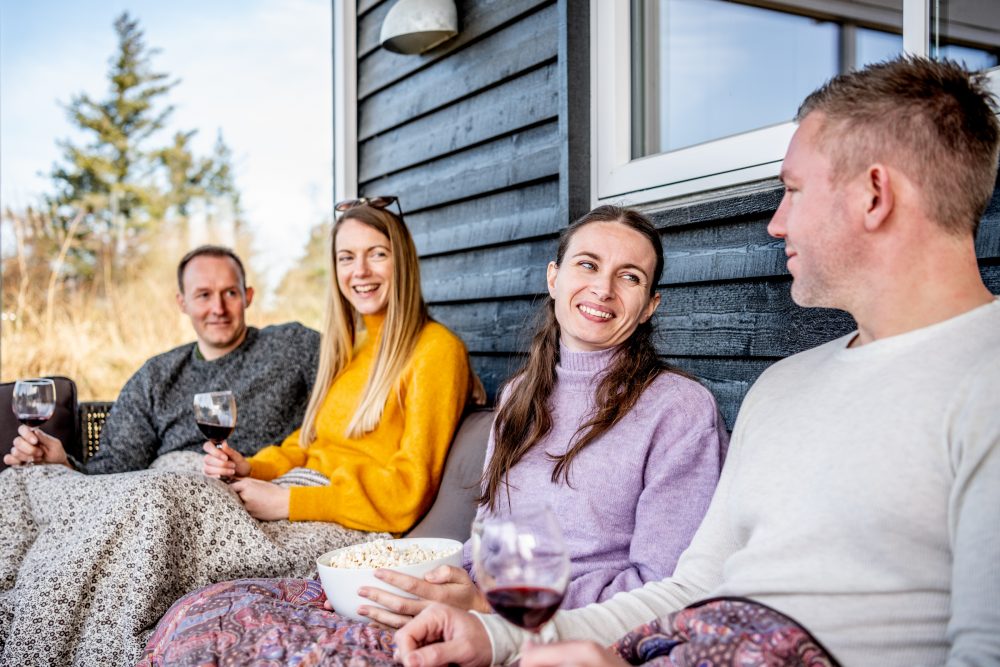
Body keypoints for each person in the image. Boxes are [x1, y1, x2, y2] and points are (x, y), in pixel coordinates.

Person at [394, 56, 1000, 667]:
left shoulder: (984, 378)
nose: (775, 224)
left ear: (874, 195)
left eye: (792, 190)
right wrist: (499, 637)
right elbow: (691, 589)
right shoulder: (782, 385)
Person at [136, 205, 729, 664]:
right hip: (472, 601)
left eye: (629, 277)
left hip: (550, 633)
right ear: (554, 278)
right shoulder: (521, 395)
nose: (602, 289)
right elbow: (488, 534)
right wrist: (443, 579)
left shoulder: (678, 410)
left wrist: (492, 606)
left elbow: (664, 587)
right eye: (588, 265)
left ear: (649, 305)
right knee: (211, 615)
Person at [199, 198, 473, 529]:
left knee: (181, 517)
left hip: (347, 521)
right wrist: (252, 467)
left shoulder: (436, 350)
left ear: (402, 261)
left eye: (377, 254)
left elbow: (409, 492)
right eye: (347, 257)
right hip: (300, 492)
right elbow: (310, 444)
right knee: (174, 494)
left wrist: (289, 502)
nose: (360, 271)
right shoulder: (353, 347)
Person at [3, 244, 319, 473]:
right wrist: (63, 463)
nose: (218, 309)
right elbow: (115, 469)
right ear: (182, 303)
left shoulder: (293, 345)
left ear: (248, 296)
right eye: (203, 295)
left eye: (230, 293)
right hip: (161, 490)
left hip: (248, 484)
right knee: (16, 484)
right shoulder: (156, 375)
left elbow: (348, 396)